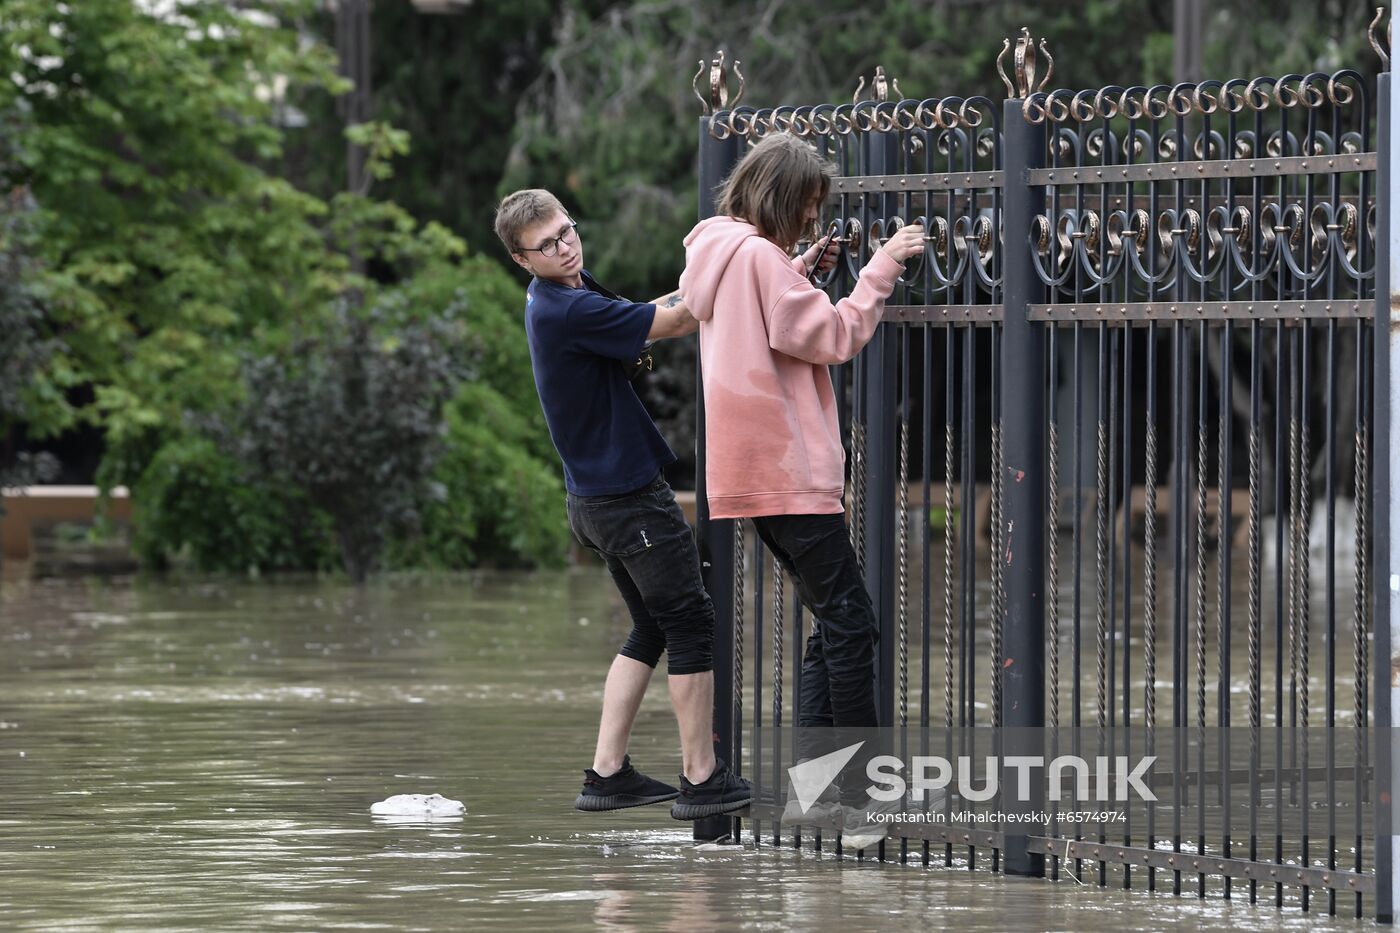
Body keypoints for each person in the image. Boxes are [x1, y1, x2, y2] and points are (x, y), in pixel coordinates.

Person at [678, 134, 925, 846]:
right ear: (784, 197)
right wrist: (879, 268)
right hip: (788, 473)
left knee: (833, 626)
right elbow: (833, 334)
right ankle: (857, 802)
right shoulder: (759, 257)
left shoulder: (722, 251)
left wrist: (798, 269)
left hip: (749, 473)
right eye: (809, 210)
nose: (813, 224)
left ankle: (821, 794)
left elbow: (769, 318)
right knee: (854, 627)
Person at [493, 189, 751, 822]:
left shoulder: (567, 293)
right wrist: (742, 253)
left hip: (595, 501)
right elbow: (682, 319)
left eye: (566, 231)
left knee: (654, 626)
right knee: (692, 624)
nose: (564, 245)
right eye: (547, 245)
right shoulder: (565, 308)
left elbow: (650, 310)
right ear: (523, 260)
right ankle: (701, 780)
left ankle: (608, 773)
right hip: (628, 499)